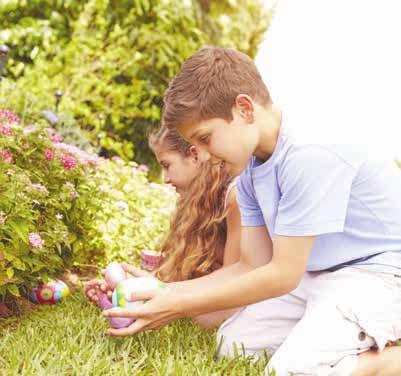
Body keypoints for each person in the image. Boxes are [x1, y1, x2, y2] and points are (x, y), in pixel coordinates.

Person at [104, 46, 401, 376]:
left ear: (244, 109)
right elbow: (251, 265)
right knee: (234, 346)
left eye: (205, 138)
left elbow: (283, 274)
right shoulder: (249, 169)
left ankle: (383, 356)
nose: (201, 155)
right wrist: (165, 291)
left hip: (381, 275)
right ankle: (345, 336)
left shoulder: (308, 150)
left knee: (290, 371)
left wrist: (179, 305)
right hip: (321, 275)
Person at [85, 126, 246, 328]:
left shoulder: (235, 197)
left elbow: (232, 294)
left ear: (194, 156)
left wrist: (167, 304)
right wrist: (130, 291)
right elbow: (183, 284)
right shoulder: (200, 205)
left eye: (167, 165)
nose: (165, 179)